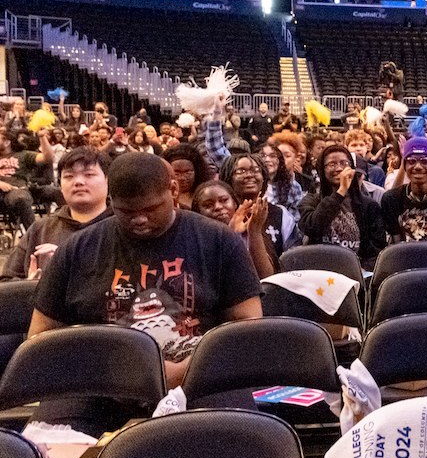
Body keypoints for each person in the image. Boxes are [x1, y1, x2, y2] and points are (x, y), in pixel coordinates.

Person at [29, 153, 262, 433]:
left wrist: (185, 370)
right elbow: (40, 337)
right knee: (46, 453)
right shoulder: (78, 248)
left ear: (173, 191)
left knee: (242, 443)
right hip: (97, 389)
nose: (139, 218)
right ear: (111, 200)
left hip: (199, 379)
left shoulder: (218, 241)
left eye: (151, 208)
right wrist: (103, 371)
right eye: (126, 211)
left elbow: (247, 329)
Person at [1, 146, 110, 280]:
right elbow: (6, 282)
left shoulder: (123, 228)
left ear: (107, 181)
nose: (78, 182)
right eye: (69, 176)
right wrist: (30, 288)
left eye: (89, 174)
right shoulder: (40, 230)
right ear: (60, 186)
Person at [298, 144, 386, 271]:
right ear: (322, 170)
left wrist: (363, 270)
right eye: (332, 164)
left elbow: (377, 248)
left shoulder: (369, 206)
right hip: (319, 272)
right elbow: (312, 227)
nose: (338, 168)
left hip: (358, 272)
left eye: (344, 163)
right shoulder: (311, 201)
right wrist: (340, 192)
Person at [193, 179, 277, 279]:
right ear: (198, 212)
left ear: (234, 203)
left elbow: (266, 276)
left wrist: (254, 230)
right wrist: (230, 234)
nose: (218, 207)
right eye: (208, 205)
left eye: (224, 200)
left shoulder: (248, 231)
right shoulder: (195, 240)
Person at [162, 144, 213, 211]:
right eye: (176, 173)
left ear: (197, 171)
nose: (182, 178)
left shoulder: (206, 195)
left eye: (187, 172)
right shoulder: (162, 198)